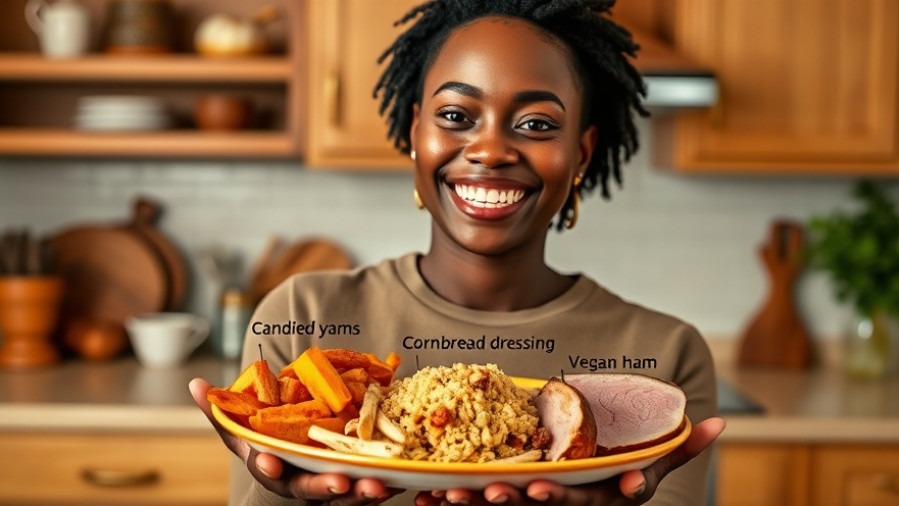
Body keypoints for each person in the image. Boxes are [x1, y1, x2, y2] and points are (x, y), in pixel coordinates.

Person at [190, 1, 726, 504]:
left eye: (537, 124)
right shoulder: (299, 315)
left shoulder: (669, 351)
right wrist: (278, 495)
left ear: (580, 153)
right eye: (455, 116)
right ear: (416, 129)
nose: (491, 150)